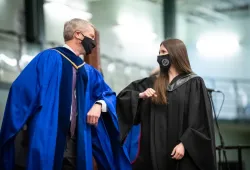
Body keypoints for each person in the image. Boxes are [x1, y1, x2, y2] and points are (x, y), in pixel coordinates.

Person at [0, 18, 131, 170]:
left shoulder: (88, 71)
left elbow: (108, 94)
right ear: (78, 35)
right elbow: (20, 91)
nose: (93, 42)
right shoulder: (48, 59)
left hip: (78, 141)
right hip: (48, 135)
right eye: (91, 36)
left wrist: (98, 105)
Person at [117, 39, 217, 170]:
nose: (160, 56)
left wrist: (185, 144)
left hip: (181, 152)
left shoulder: (194, 83)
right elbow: (122, 98)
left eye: (164, 52)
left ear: (176, 54)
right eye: (159, 52)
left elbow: (200, 119)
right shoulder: (151, 82)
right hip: (152, 152)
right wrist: (140, 96)